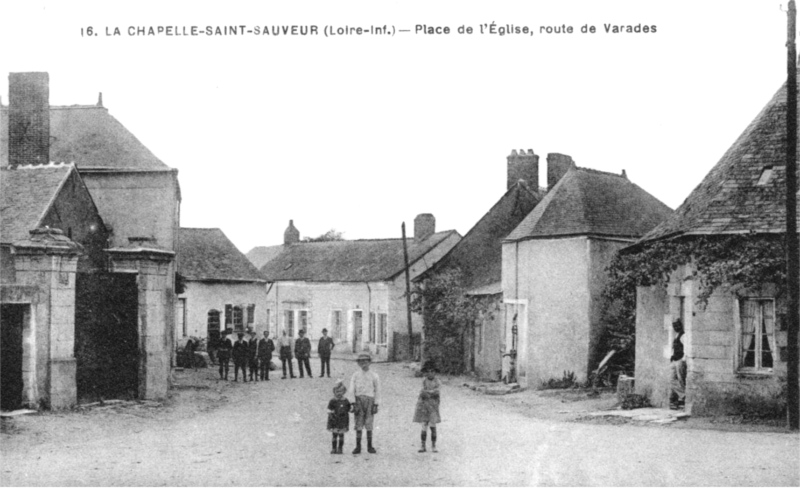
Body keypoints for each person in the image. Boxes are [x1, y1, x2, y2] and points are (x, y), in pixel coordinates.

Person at [349, 352, 380, 454]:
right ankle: (358, 446)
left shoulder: (374, 376)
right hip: (358, 400)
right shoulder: (355, 375)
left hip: (370, 401)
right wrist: (353, 403)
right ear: (358, 363)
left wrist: (376, 404)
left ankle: (369, 446)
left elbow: (377, 390)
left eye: (366, 361)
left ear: (370, 362)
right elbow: (351, 389)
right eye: (361, 362)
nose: (363, 364)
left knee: (369, 423)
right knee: (358, 423)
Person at [413, 360, 441, 453]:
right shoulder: (424, 381)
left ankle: (433, 445)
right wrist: (429, 393)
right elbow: (422, 392)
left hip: (433, 406)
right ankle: (423, 445)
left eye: (432, 371)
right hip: (424, 406)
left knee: (433, 425)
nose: (430, 373)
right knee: (424, 425)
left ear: (435, 372)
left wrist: (429, 392)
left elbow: (437, 392)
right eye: (428, 371)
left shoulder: (437, 381)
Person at [327, 380, 352, 454]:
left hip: (343, 420)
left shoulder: (345, 400)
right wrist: (331, 414)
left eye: (341, 391)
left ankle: (340, 448)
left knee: (341, 435)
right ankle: (334, 448)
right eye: (337, 391)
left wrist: (351, 409)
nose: (339, 393)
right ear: (334, 392)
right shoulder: (332, 400)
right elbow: (329, 409)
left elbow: (348, 408)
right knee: (334, 435)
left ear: (344, 392)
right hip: (334, 419)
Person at [669, 319, 687, 410]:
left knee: (681, 379)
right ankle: (683, 395)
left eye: (678, 326)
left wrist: (683, 359)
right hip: (674, 360)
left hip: (680, 360)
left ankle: (681, 399)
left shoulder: (683, 335)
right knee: (672, 380)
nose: (676, 328)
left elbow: (686, 349)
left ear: (681, 326)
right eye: (674, 326)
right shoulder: (676, 335)